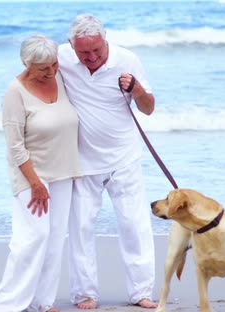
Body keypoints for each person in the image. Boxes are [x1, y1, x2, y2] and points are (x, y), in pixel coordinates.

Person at [57, 14, 158, 309]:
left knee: (133, 225)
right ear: (71, 46)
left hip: (123, 157)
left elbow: (149, 108)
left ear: (106, 41)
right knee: (81, 228)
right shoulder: (62, 57)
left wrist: (137, 89)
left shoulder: (127, 60)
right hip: (81, 160)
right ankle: (84, 294)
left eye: (96, 51)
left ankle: (141, 292)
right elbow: (34, 71)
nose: (91, 57)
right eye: (83, 52)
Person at [0, 34, 80, 312]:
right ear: (26, 64)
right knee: (31, 238)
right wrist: (35, 183)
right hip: (32, 176)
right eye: (43, 68)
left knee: (54, 238)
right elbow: (15, 146)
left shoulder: (61, 77)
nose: (51, 72)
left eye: (54, 65)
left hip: (64, 172)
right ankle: (7, 304)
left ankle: (42, 302)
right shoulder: (14, 92)